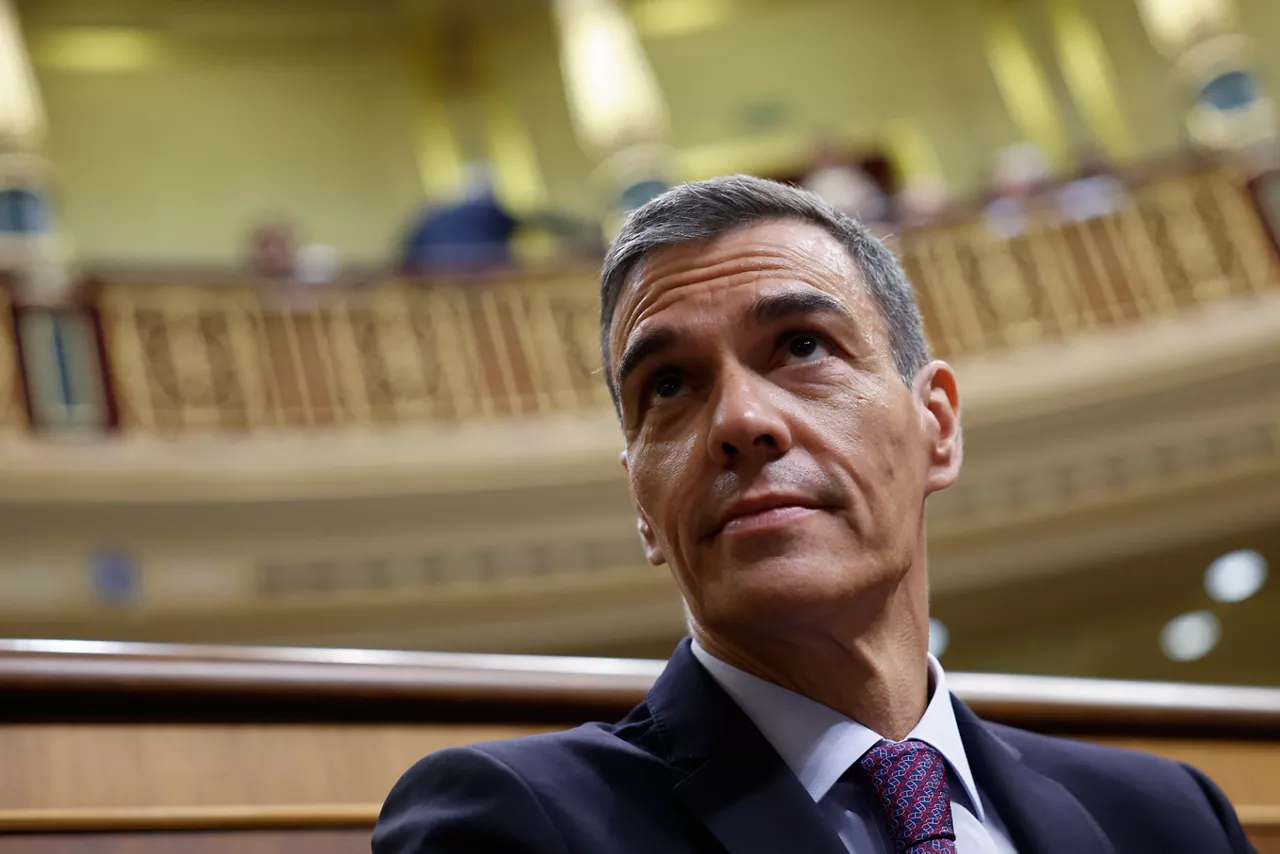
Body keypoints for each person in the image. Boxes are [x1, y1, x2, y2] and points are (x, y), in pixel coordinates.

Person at [373, 176, 1255, 854]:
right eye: (669, 386)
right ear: (641, 506)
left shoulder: (1168, 819)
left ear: (937, 427)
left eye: (801, 347)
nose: (741, 422)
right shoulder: (511, 823)